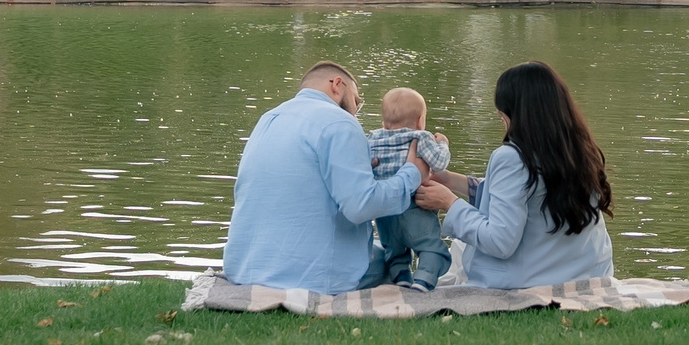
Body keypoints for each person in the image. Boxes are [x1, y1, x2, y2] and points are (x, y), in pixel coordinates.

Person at [223, 61, 426, 293]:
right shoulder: (340, 121)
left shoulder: (269, 118)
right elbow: (361, 206)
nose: (355, 111)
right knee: (391, 259)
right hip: (309, 278)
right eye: (357, 101)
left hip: (243, 269)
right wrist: (412, 174)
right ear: (337, 85)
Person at [414, 60, 614, 288]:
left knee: (460, 247)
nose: (504, 126)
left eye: (502, 118)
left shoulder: (511, 156)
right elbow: (531, 194)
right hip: (590, 273)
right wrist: (451, 181)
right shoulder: (577, 149)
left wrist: (449, 203)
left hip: (531, 280)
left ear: (515, 116)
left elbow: (500, 242)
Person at [357, 87, 452, 288]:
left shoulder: (372, 139)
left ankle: (401, 279)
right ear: (420, 121)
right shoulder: (420, 137)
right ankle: (424, 279)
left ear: (384, 122)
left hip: (385, 211)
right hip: (415, 206)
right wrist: (443, 144)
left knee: (394, 250)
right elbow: (439, 163)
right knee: (430, 246)